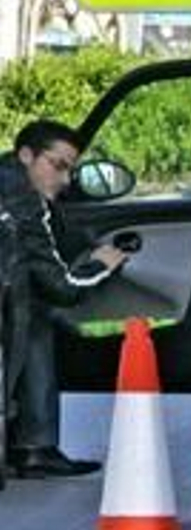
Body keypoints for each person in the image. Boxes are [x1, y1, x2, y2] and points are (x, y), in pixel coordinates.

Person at [1, 120, 126, 479]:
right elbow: (63, 287)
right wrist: (101, 264)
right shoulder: (22, 202)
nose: (65, 179)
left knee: (33, 313)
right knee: (35, 310)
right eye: (58, 166)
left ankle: (34, 446)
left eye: (70, 170)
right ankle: (34, 446)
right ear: (27, 156)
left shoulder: (9, 180)